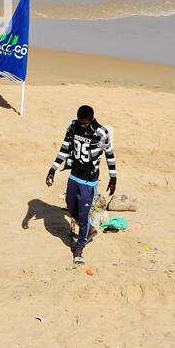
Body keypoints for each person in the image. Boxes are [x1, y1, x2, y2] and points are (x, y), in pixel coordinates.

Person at [45, 104, 118, 265]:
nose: (82, 125)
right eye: (80, 122)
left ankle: (79, 249)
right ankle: (91, 229)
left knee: (84, 215)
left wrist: (113, 177)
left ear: (91, 119)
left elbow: (109, 154)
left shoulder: (101, 133)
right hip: (74, 176)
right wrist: (53, 169)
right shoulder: (72, 126)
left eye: (85, 123)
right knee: (71, 208)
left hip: (89, 180)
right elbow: (64, 148)